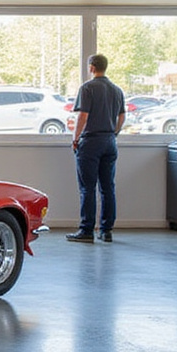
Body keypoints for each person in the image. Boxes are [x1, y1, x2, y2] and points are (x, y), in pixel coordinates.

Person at [67, 54, 125, 244]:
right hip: (109, 141)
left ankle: (86, 230)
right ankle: (106, 231)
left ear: (91, 67)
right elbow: (122, 117)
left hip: (91, 142)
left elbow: (82, 116)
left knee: (87, 188)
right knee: (108, 188)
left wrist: (75, 139)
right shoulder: (117, 90)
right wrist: (113, 133)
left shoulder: (87, 88)